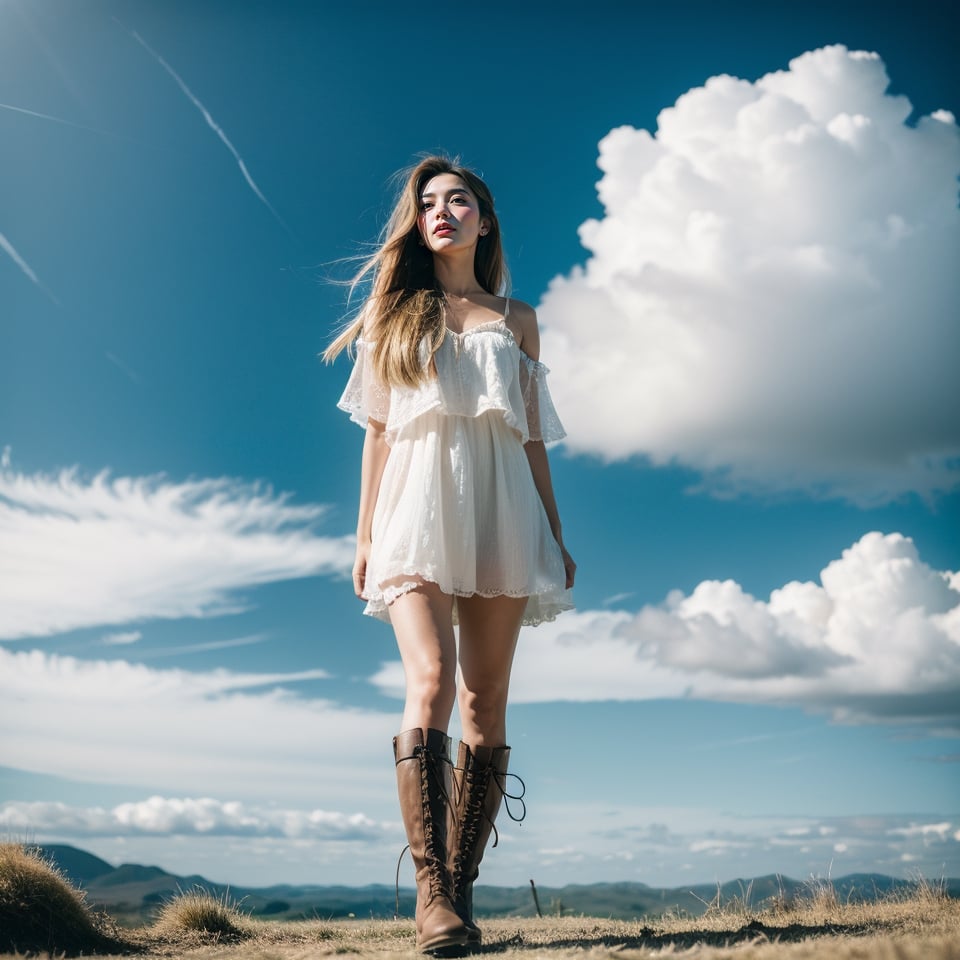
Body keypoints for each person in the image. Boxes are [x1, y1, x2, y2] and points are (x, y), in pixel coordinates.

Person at [325, 155, 575, 955]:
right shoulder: (395, 315)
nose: (442, 211)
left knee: (485, 701)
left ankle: (461, 891)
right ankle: (432, 892)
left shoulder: (519, 318)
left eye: (457, 200)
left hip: (504, 512)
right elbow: (376, 432)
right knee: (430, 677)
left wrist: (555, 530)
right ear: (418, 223)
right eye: (427, 202)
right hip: (415, 511)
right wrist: (365, 534)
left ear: (484, 219)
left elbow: (533, 436)